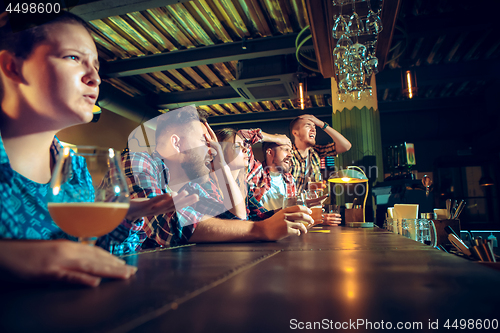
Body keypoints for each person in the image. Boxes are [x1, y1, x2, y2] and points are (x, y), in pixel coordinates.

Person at [0, 11, 197, 286]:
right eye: (73, 57)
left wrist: (125, 216)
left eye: (96, 67)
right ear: (12, 67)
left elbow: (95, 258)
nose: (95, 78)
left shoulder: (75, 170)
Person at [123, 106, 313, 248]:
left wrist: (221, 164)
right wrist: (261, 230)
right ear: (177, 143)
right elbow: (167, 225)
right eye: (203, 141)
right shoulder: (138, 161)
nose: (211, 150)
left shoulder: (191, 187)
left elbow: (235, 222)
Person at [289, 114, 352, 194]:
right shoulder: (288, 155)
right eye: (308, 126)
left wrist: (322, 124)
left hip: (313, 204)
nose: (313, 130)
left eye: (315, 127)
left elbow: (346, 146)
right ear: (295, 133)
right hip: (292, 205)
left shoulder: (316, 152)